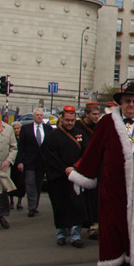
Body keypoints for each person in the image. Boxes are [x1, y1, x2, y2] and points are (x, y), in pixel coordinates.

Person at [70, 80, 134, 266]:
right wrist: (83, 173)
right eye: (127, 101)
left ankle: (130, 263)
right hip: (113, 187)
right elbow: (94, 150)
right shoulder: (107, 122)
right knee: (113, 226)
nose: (131, 105)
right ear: (120, 102)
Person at [43, 106, 88, 248]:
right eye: (67, 120)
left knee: (77, 207)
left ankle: (76, 236)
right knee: (60, 206)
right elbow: (50, 156)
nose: (69, 123)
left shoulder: (80, 134)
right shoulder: (53, 136)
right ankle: (61, 234)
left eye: (72, 120)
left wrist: (74, 168)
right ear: (61, 119)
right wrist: (64, 169)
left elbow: (86, 153)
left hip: (76, 177)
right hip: (58, 177)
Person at [17, 108, 53, 217]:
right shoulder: (26, 129)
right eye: (37, 115)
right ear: (33, 116)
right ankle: (31, 206)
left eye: (41, 115)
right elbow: (20, 147)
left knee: (38, 184)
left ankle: (35, 204)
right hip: (29, 161)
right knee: (30, 183)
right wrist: (20, 162)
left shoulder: (48, 129)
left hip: (42, 162)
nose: (39, 117)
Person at [75, 102, 101, 239]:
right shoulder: (78, 127)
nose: (97, 117)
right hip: (81, 166)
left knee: (95, 197)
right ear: (87, 114)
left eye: (98, 114)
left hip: (96, 167)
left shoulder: (98, 127)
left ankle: (95, 225)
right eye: (94, 114)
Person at [9, 121, 26, 211]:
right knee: (11, 182)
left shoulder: (23, 139)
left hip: (22, 164)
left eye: (18, 128)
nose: (16, 130)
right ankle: (11, 200)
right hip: (12, 164)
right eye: (14, 129)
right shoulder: (11, 139)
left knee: (21, 183)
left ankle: (19, 202)